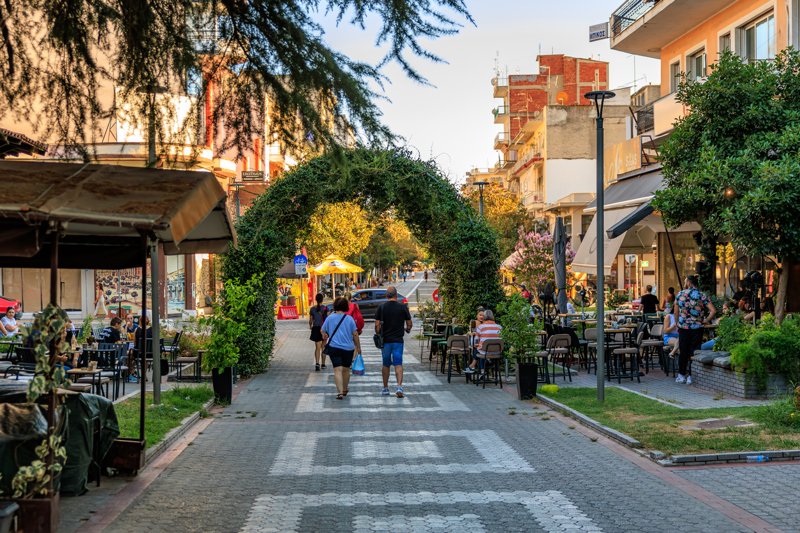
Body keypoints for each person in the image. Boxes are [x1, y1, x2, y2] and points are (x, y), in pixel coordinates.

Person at [674, 275, 716, 385]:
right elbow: (713, 311)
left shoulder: (680, 294)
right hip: (697, 328)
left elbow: (676, 312)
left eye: (685, 282)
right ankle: (691, 376)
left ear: (688, 283)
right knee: (695, 351)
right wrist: (706, 321)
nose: (684, 284)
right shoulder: (702, 295)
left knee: (683, 351)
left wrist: (678, 324)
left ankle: (682, 375)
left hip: (684, 327)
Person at [375, 286, 412, 398]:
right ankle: (399, 387)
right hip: (398, 341)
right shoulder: (403, 307)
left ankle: (385, 388)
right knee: (398, 363)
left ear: (387, 296)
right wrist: (407, 329)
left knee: (386, 364)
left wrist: (379, 333)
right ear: (396, 295)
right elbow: (409, 323)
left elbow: (377, 325)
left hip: (385, 341)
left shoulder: (381, 307)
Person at [321, 297, 360, 400]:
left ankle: (340, 392)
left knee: (337, 370)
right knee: (346, 369)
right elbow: (355, 334)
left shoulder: (330, 318)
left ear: (335, 306)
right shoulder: (349, 319)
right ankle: (345, 389)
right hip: (348, 348)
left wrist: (325, 335)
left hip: (334, 347)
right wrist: (358, 347)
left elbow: (322, 329)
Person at [464, 309, 502, 375]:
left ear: (484, 318)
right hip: (497, 352)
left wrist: (478, 345)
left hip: (485, 351)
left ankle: (473, 367)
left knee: (480, 349)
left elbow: (478, 340)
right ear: (493, 318)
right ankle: (480, 370)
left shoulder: (480, 327)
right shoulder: (499, 327)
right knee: (481, 348)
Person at [309, 293, 327, 371]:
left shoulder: (312, 309)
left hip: (316, 328)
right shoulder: (326, 308)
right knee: (323, 346)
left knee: (317, 347)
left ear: (316, 299)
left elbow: (310, 320)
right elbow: (328, 319)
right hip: (324, 329)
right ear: (322, 299)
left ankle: (317, 363)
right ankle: (323, 364)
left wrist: (310, 326)